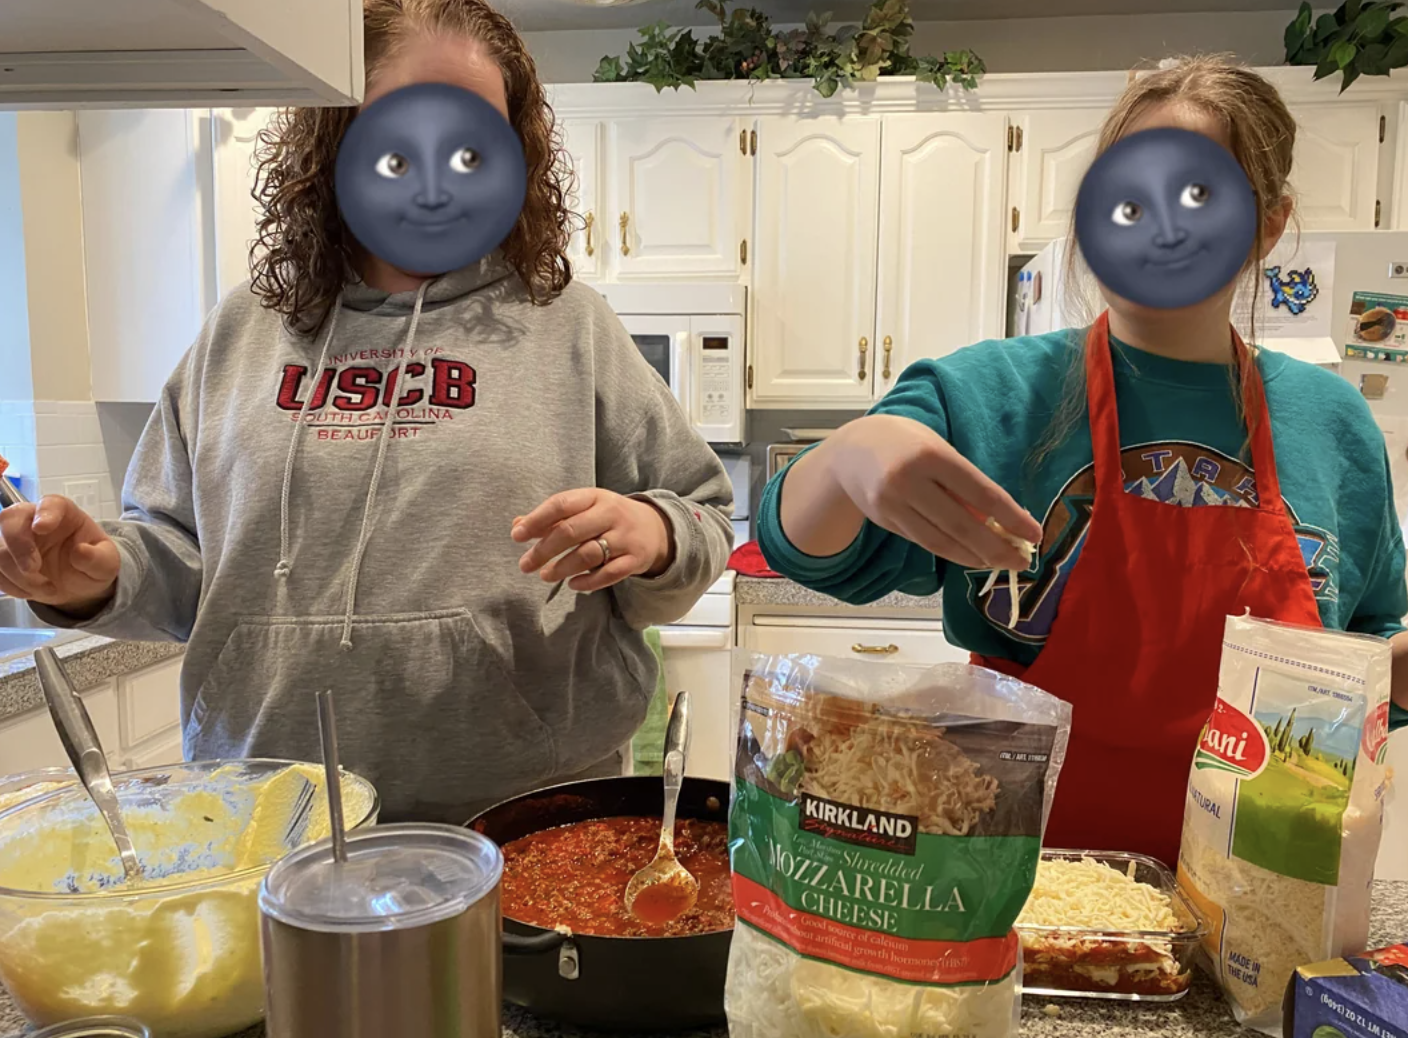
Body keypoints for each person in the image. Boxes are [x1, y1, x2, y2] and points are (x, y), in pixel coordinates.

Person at [0, 0, 734, 824]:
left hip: (527, 820)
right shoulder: (241, 333)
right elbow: (178, 565)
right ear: (337, 140)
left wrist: (654, 532)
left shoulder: (569, 326)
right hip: (268, 818)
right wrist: (91, 580)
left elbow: (704, 519)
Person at [758, 56, 1408, 866]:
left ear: (1268, 225)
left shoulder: (1334, 422)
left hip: (1263, 901)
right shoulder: (988, 395)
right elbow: (805, 549)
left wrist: (1387, 675)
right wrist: (843, 458)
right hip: (1021, 890)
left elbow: (1376, 638)